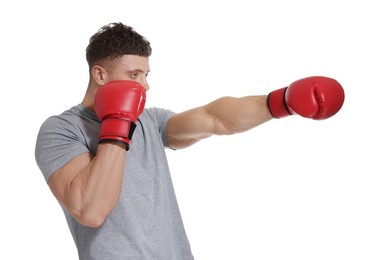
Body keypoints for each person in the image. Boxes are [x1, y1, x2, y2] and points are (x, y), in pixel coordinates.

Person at [35, 22, 345, 260]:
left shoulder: (149, 121)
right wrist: (117, 123)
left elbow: (215, 118)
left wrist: (280, 102)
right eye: (134, 74)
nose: (145, 85)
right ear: (100, 75)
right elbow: (91, 210)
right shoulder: (61, 130)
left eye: (146, 74)